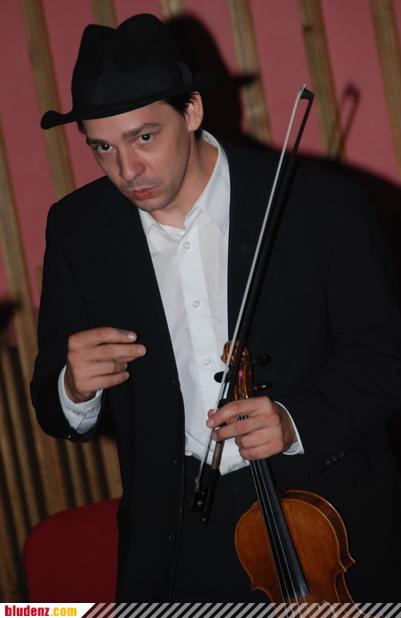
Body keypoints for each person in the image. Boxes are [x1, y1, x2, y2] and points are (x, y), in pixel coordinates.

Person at [31, 13, 401, 602]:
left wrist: (295, 420)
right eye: (102, 147)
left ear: (192, 111)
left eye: (144, 138)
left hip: (327, 521)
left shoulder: (318, 204)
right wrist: (72, 388)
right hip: (177, 543)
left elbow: (385, 356)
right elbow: (53, 403)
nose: (127, 171)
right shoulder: (78, 229)